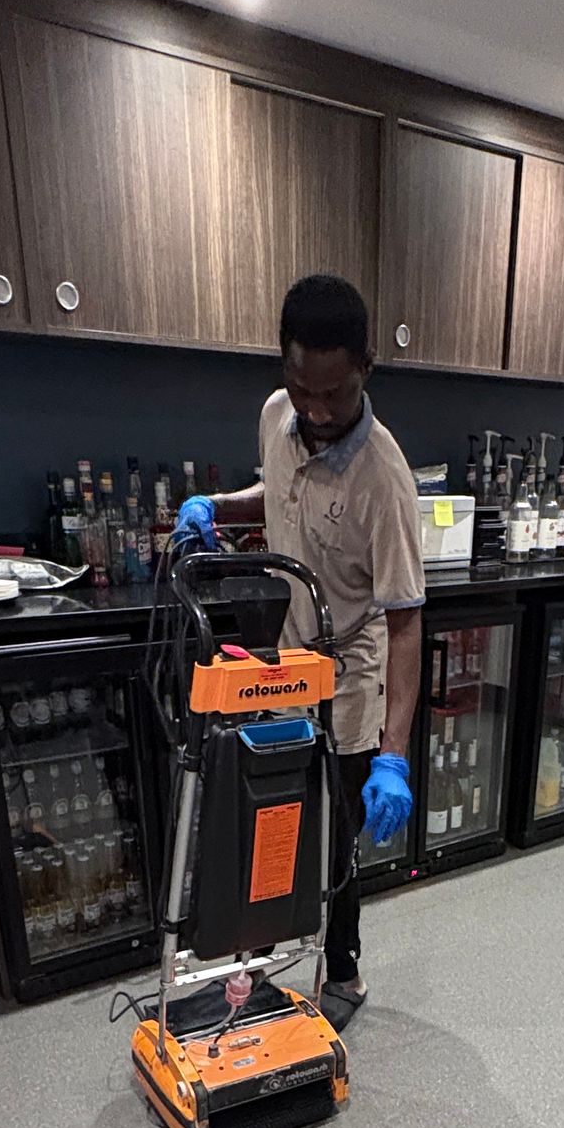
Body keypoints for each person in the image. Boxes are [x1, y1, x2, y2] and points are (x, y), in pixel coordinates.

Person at [175, 273, 423, 1018]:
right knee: (272, 819)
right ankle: (259, 966)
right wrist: (218, 506)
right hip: (280, 665)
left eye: (334, 395)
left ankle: (343, 973)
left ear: (366, 369)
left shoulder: (385, 479)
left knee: (334, 840)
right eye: (301, 388)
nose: (315, 411)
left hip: (347, 677)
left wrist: (394, 755)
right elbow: (282, 489)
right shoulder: (277, 413)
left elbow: (406, 623)